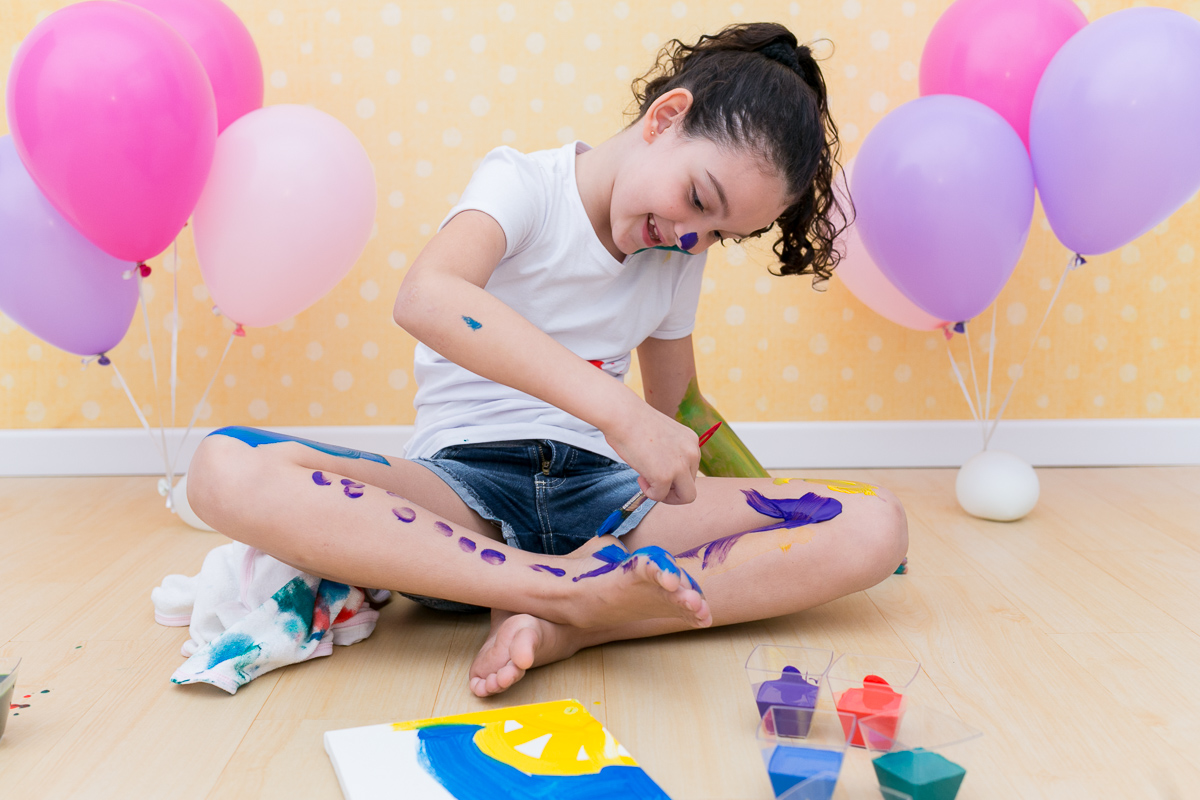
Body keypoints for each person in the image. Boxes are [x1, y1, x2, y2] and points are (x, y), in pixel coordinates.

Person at [187, 22, 908, 698]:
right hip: (464, 497)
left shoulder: (677, 257)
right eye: (698, 199)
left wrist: (778, 507)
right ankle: (556, 588)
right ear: (665, 118)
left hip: (607, 507)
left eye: (721, 234)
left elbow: (681, 410)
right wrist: (618, 413)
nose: (692, 238)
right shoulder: (524, 183)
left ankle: (572, 623)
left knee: (876, 525)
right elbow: (428, 297)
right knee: (225, 465)